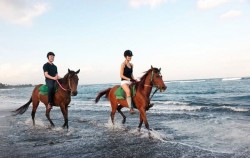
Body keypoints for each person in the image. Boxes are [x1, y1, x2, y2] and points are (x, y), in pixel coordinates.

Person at [120, 50, 138, 114]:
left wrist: (134, 79)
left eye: (131, 56)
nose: (130, 57)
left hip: (130, 81)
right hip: (124, 82)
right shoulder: (123, 64)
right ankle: (131, 108)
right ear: (125, 56)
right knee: (128, 91)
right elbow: (121, 75)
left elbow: (131, 75)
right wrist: (128, 79)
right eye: (129, 56)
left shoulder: (132, 65)